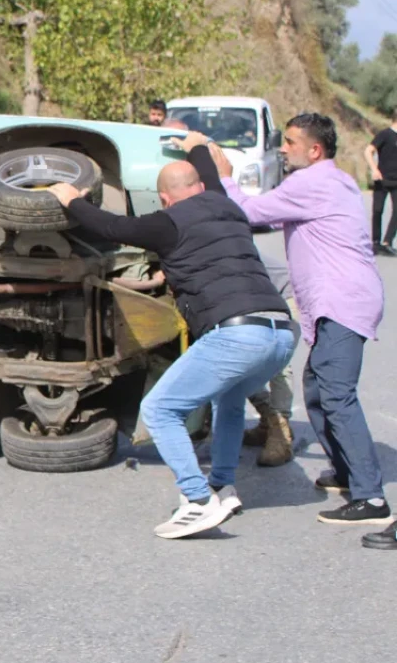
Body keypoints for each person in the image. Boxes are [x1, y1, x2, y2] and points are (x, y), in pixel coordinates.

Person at [48, 149, 296, 540]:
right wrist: (196, 145)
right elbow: (212, 173)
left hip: (235, 333)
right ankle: (222, 486)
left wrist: (71, 200)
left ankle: (197, 500)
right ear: (199, 188)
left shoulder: (166, 223)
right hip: (280, 333)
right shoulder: (226, 205)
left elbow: (111, 227)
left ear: (164, 198)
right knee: (229, 401)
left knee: (160, 409)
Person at [204, 115, 391, 528]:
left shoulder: (313, 183)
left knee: (336, 394)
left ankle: (371, 498)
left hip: (343, 300)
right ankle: (347, 473)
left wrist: (224, 176)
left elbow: (248, 211)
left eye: (289, 142)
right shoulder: (330, 180)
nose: (282, 148)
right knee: (318, 389)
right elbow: (270, 218)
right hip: (344, 300)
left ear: (315, 150)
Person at [242, 252, 297, 466]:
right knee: (239, 361)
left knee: (278, 361)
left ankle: (280, 434)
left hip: (284, 295)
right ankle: (267, 417)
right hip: (253, 299)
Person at [363, 108, 397, 256]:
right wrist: (374, 169)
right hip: (382, 179)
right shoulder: (385, 134)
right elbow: (368, 150)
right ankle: (376, 243)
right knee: (377, 210)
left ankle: (387, 242)